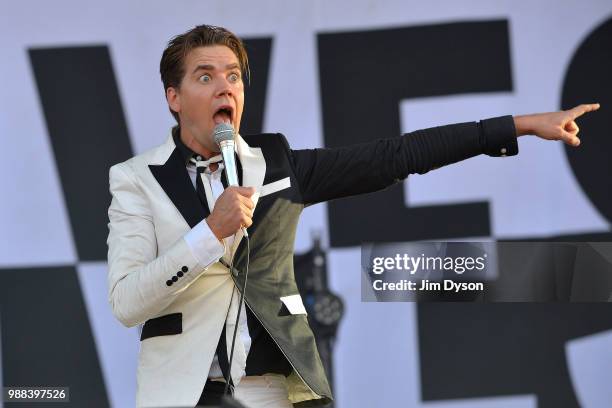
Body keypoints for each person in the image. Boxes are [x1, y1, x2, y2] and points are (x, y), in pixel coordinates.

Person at [106, 24, 600, 408]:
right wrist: (209, 233)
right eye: (205, 76)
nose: (225, 87)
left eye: (233, 75)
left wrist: (518, 126)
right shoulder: (135, 179)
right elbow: (127, 302)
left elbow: (396, 156)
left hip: (272, 389)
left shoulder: (277, 163)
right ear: (174, 98)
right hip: (185, 392)